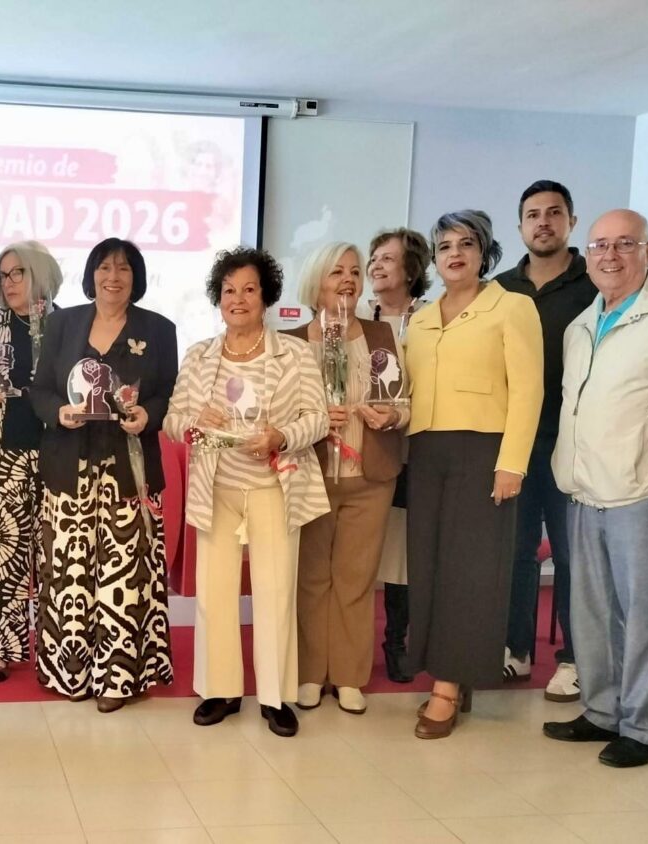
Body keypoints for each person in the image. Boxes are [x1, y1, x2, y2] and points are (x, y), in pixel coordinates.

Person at [544, 210, 648, 768]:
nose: (610, 256)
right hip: (586, 493)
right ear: (587, 256)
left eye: (625, 244)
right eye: (600, 245)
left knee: (644, 618)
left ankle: (644, 728)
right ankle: (602, 711)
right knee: (592, 615)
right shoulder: (581, 326)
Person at [163, 247, 329, 737]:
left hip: (274, 484)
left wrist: (281, 436)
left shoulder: (294, 354)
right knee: (214, 592)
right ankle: (221, 690)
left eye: (249, 289)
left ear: (266, 296)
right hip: (216, 486)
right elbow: (172, 421)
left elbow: (317, 419)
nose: (238, 299)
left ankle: (276, 696)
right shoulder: (200, 356)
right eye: (229, 290)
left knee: (275, 592)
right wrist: (194, 422)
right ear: (219, 298)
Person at [405, 209, 543, 739]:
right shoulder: (420, 318)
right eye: (444, 246)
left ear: (485, 252)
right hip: (426, 451)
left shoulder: (512, 306)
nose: (455, 254)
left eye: (466, 243)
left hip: (484, 452)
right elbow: (406, 388)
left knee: (470, 573)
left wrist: (512, 462)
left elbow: (528, 389)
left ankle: (448, 687)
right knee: (429, 567)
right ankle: (444, 670)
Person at [30, 238, 177, 712]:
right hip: (68, 469)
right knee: (69, 575)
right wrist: (60, 413)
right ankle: (69, 672)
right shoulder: (62, 323)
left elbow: (168, 395)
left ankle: (118, 676)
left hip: (127, 470)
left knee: (124, 575)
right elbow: (40, 390)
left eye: (124, 269)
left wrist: (147, 416)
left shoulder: (159, 329)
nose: (113, 277)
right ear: (91, 274)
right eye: (105, 267)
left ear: (137, 278)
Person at [284, 242, 406, 714]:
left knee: (356, 580)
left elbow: (404, 400)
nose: (349, 280)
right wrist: (315, 417)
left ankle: (350, 676)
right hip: (311, 475)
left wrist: (391, 416)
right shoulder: (291, 341)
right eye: (337, 272)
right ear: (316, 281)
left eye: (355, 272)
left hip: (370, 476)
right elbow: (278, 412)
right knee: (312, 579)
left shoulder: (381, 334)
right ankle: (310, 673)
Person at [496, 181, 597, 700]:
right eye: (533, 214)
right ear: (520, 227)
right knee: (515, 551)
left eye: (554, 213)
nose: (543, 222)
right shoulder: (500, 289)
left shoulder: (594, 284)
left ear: (571, 222)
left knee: (571, 554)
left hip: (572, 443)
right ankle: (515, 651)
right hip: (514, 444)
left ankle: (575, 659)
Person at [0, 241, 62, 683]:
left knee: (55, 557)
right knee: (3, 555)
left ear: (39, 273)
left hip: (56, 455)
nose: (8, 282)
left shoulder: (67, 325)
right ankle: (1, 650)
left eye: (17, 273)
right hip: (1, 455)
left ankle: (53, 648)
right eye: (2, 275)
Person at [359, 227, 433, 684]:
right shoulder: (355, 317)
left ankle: (396, 641)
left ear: (411, 269)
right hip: (360, 448)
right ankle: (349, 644)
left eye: (387, 258)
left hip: (411, 451)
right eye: (374, 258)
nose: (376, 265)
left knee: (401, 551)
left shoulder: (429, 320)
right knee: (361, 546)